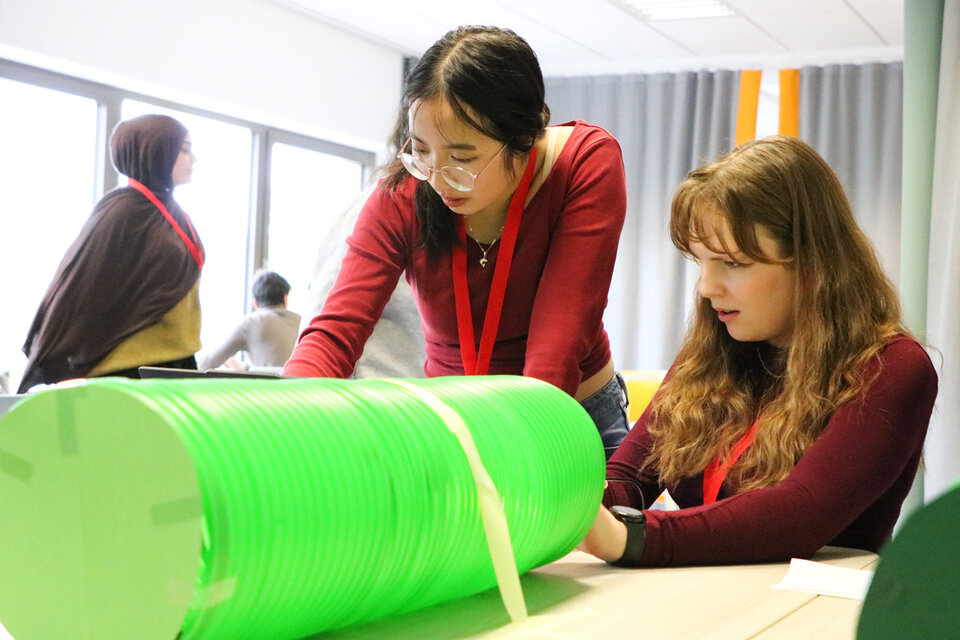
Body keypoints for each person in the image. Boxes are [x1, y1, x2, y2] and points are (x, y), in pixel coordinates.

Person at [578, 135, 938, 567]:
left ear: (812, 263)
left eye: (733, 263)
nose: (708, 288)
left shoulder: (891, 368)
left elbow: (800, 515)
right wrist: (574, 504)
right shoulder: (712, 351)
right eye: (701, 262)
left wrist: (629, 537)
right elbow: (629, 476)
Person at [283, 26, 630, 456]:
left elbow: (555, 349)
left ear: (524, 138)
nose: (437, 177)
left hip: (567, 414)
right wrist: (284, 417)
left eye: (462, 158)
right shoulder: (404, 193)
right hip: (458, 421)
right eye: (422, 150)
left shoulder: (583, 164)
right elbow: (335, 332)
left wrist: (518, 456)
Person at [18, 114, 203, 392]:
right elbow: (81, 284)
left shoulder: (169, 213)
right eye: (184, 149)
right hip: (130, 374)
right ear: (155, 152)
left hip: (174, 364)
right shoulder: (123, 211)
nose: (194, 158)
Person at [199, 270, 301, 370]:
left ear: (255, 303)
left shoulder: (252, 322)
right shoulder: (303, 322)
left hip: (265, 386)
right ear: (285, 299)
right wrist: (246, 368)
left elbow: (206, 364)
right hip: (302, 386)